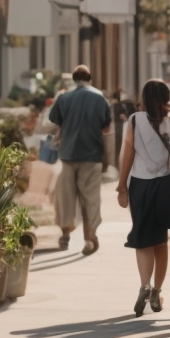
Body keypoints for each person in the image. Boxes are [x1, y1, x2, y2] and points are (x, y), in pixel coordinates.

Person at [115, 79, 170, 315]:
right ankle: (157, 291)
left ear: (144, 98)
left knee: (142, 238)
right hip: (166, 187)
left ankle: (144, 285)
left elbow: (128, 155)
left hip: (140, 185)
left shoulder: (134, 121)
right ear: (166, 99)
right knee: (160, 241)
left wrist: (122, 186)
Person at [47, 65, 115, 255]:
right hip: (92, 155)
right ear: (90, 78)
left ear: (74, 79)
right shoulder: (99, 97)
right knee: (90, 198)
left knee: (65, 198)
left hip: (68, 154)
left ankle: (65, 235)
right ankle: (90, 237)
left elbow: (55, 119)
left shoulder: (64, 97)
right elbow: (106, 125)